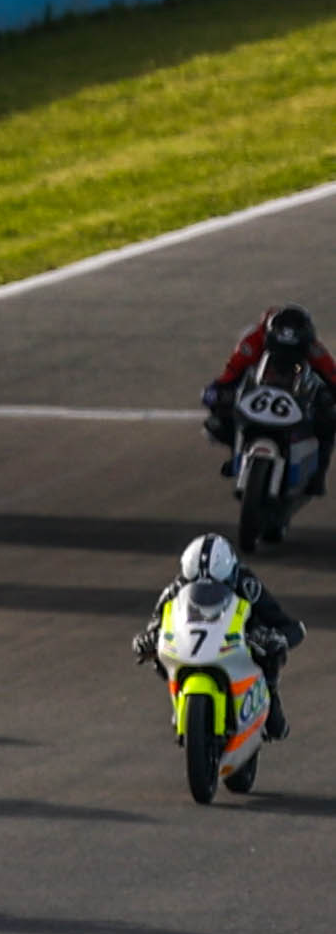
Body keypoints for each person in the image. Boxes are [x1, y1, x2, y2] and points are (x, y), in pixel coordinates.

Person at [136, 532, 304, 751]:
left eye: (217, 584)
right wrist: (146, 639)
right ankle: (180, 709)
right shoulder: (177, 587)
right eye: (194, 583)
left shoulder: (247, 584)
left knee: (269, 652)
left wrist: (276, 638)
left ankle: (270, 700)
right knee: (156, 654)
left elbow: (290, 626)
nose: (204, 589)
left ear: (231, 575)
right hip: (191, 639)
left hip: (240, 638)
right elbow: (156, 621)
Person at [203, 304, 329, 500]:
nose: (286, 355)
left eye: (293, 350)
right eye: (281, 349)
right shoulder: (252, 343)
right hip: (256, 391)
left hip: (296, 397)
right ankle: (235, 454)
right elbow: (232, 370)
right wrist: (217, 390)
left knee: (329, 421)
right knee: (216, 421)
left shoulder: (313, 348)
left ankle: (319, 473)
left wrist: (327, 398)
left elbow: (331, 373)